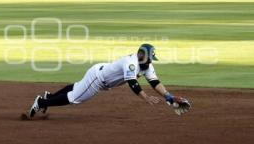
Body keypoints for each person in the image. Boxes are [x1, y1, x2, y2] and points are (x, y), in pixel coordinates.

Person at [27, 43, 191, 118]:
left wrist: (168, 96)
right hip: (98, 79)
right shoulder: (132, 63)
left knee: (76, 87)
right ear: (142, 55)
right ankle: (41, 102)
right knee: (75, 98)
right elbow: (132, 83)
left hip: (100, 72)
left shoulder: (146, 65)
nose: (151, 61)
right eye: (149, 57)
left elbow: (155, 82)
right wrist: (145, 97)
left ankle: (49, 97)